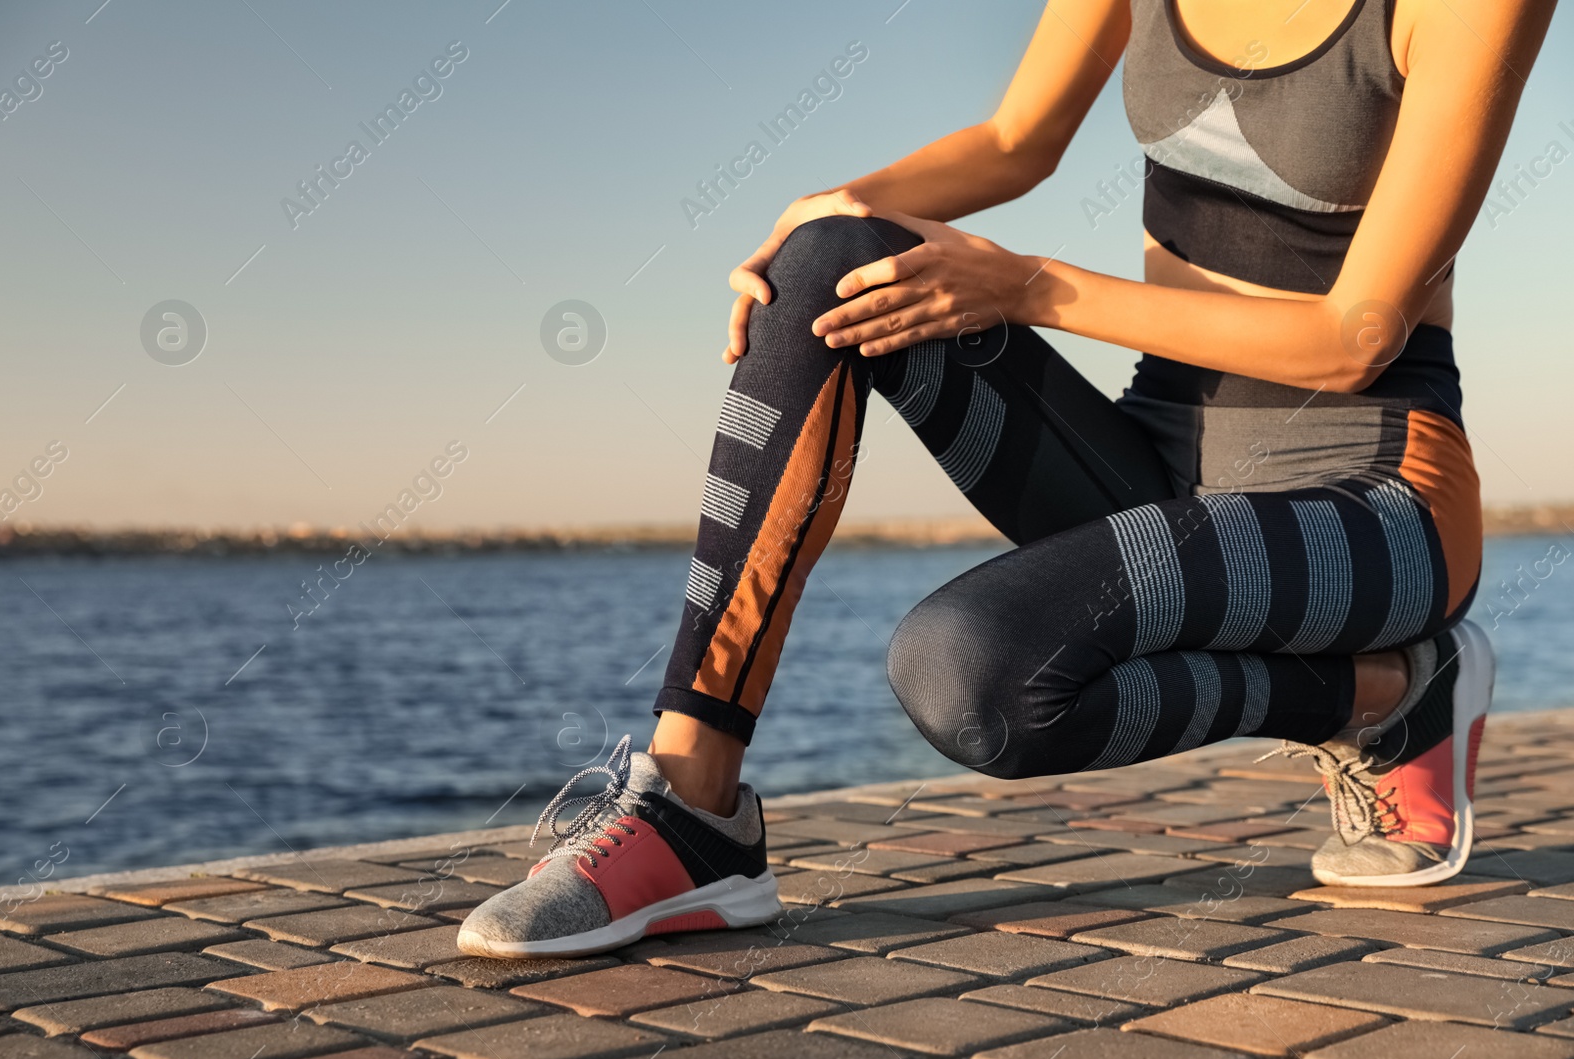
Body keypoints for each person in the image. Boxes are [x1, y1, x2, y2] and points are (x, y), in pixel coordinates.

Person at [457, 0, 1553, 958]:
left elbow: (1352, 336)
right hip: (1163, 471)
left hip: (1372, 500)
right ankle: (690, 806)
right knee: (829, 262)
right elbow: (1016, 138)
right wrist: (814, 224)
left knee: (971, 678)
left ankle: (1388, 691)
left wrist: (1027, 284)